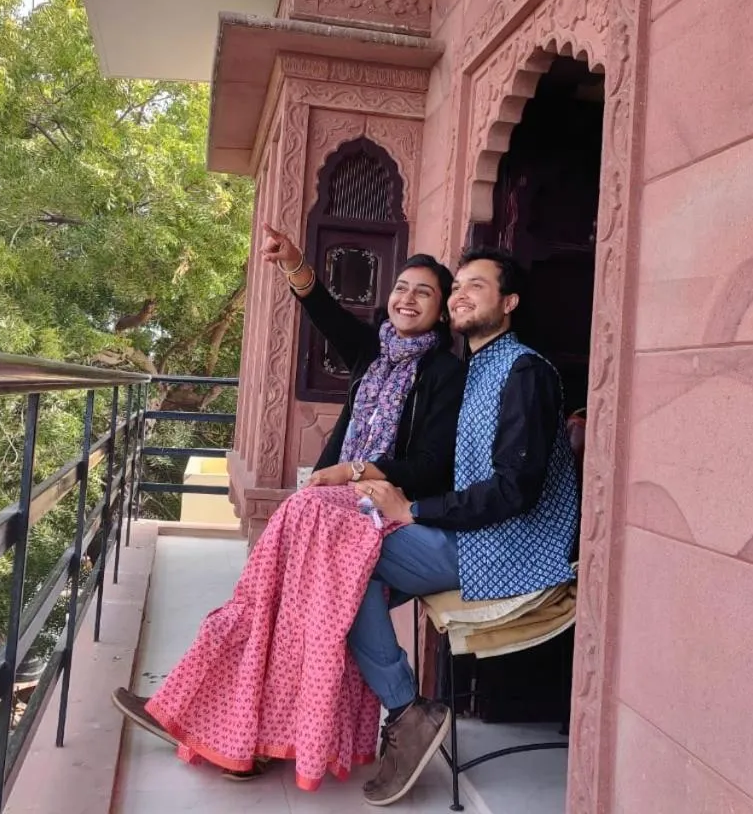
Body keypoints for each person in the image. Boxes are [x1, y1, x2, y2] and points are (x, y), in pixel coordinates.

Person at [110, 224, 466, 792]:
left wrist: (355, 472)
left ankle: (213, 710)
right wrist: (295, 264)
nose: (407, 298)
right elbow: (325, 314)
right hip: (338, 511)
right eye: (401, 287)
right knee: (276, 597)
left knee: (293, 581)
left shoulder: (446, 373)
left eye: (424, 292)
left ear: (444, 310)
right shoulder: (373, 354)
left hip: (380, 512)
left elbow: (431, 465)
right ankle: (213, 710)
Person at [351, 247, 580, 807]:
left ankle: (408, 711)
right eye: (458, 286)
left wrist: (415, 511)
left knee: (344, 564)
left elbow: (515, 490)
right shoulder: (472, 368)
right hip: (473, 539)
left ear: (509, 303)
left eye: (478, 286)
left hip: (513, 548)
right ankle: (370, 715)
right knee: (332, 576)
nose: (460, 294)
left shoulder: (524, 370)